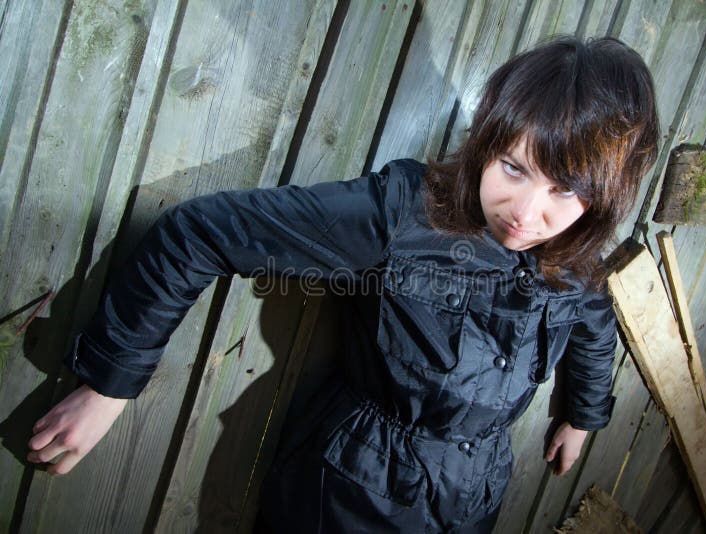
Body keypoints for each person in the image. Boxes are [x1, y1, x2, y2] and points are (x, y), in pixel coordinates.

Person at [27, 36, 659, 532]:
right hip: (355, 493)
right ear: (487, 142)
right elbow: (201, 232)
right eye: (513, 168)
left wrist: (581, 415)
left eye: (564, 191)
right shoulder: (404, 214)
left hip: (478, 492)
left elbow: (592, 323)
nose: (526, 212)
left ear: (600, 202)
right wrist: (110, 384)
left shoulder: (574, 259)